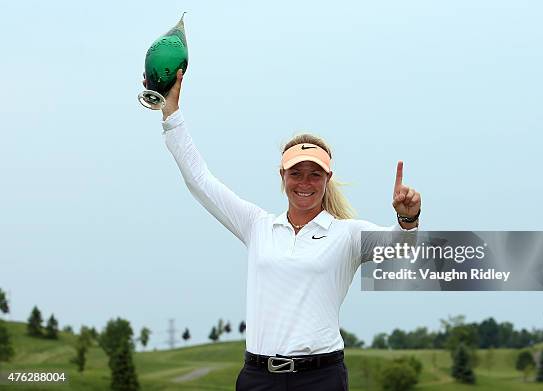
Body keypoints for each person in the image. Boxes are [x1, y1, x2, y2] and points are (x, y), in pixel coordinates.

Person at [146, 70, 421, 391]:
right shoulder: (258, 225)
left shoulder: (345, 234)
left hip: (321, 377)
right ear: (282, 176)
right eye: (296, 173)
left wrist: (408, 218)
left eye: (315, 174)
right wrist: (171, 112)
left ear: (327, 179)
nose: (305, 183)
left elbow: (402, 249)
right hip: (259, 377)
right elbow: (200, 180)